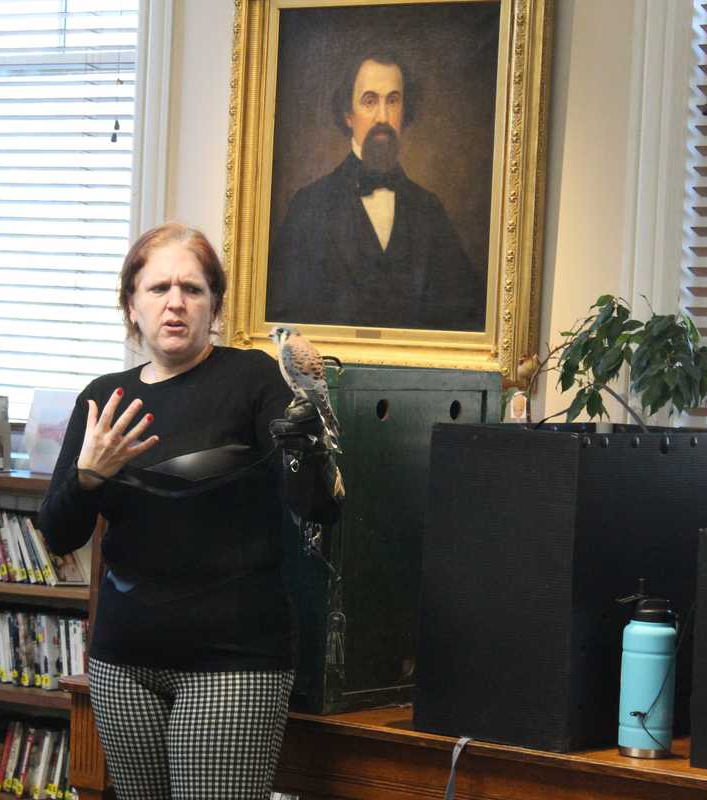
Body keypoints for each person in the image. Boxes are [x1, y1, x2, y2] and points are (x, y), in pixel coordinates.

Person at [37, 223, 337, 800]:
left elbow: (319, 509)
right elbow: (59, 532)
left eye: (193, 289)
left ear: (215, 304)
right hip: (122, 663)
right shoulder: (104, 398)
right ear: (132, 303)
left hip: (233, 666)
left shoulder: (254, 380)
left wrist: (309, 449)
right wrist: (89, 476)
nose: (175, 302)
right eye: (158, 288)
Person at [265, 48, 486, 332]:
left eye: (393, 101)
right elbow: (282, 319)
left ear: (405, 110)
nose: (383, 116)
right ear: (348, 113)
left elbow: (468, 317)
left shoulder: (429, 210)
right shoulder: (308, 207)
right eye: (369, 101)